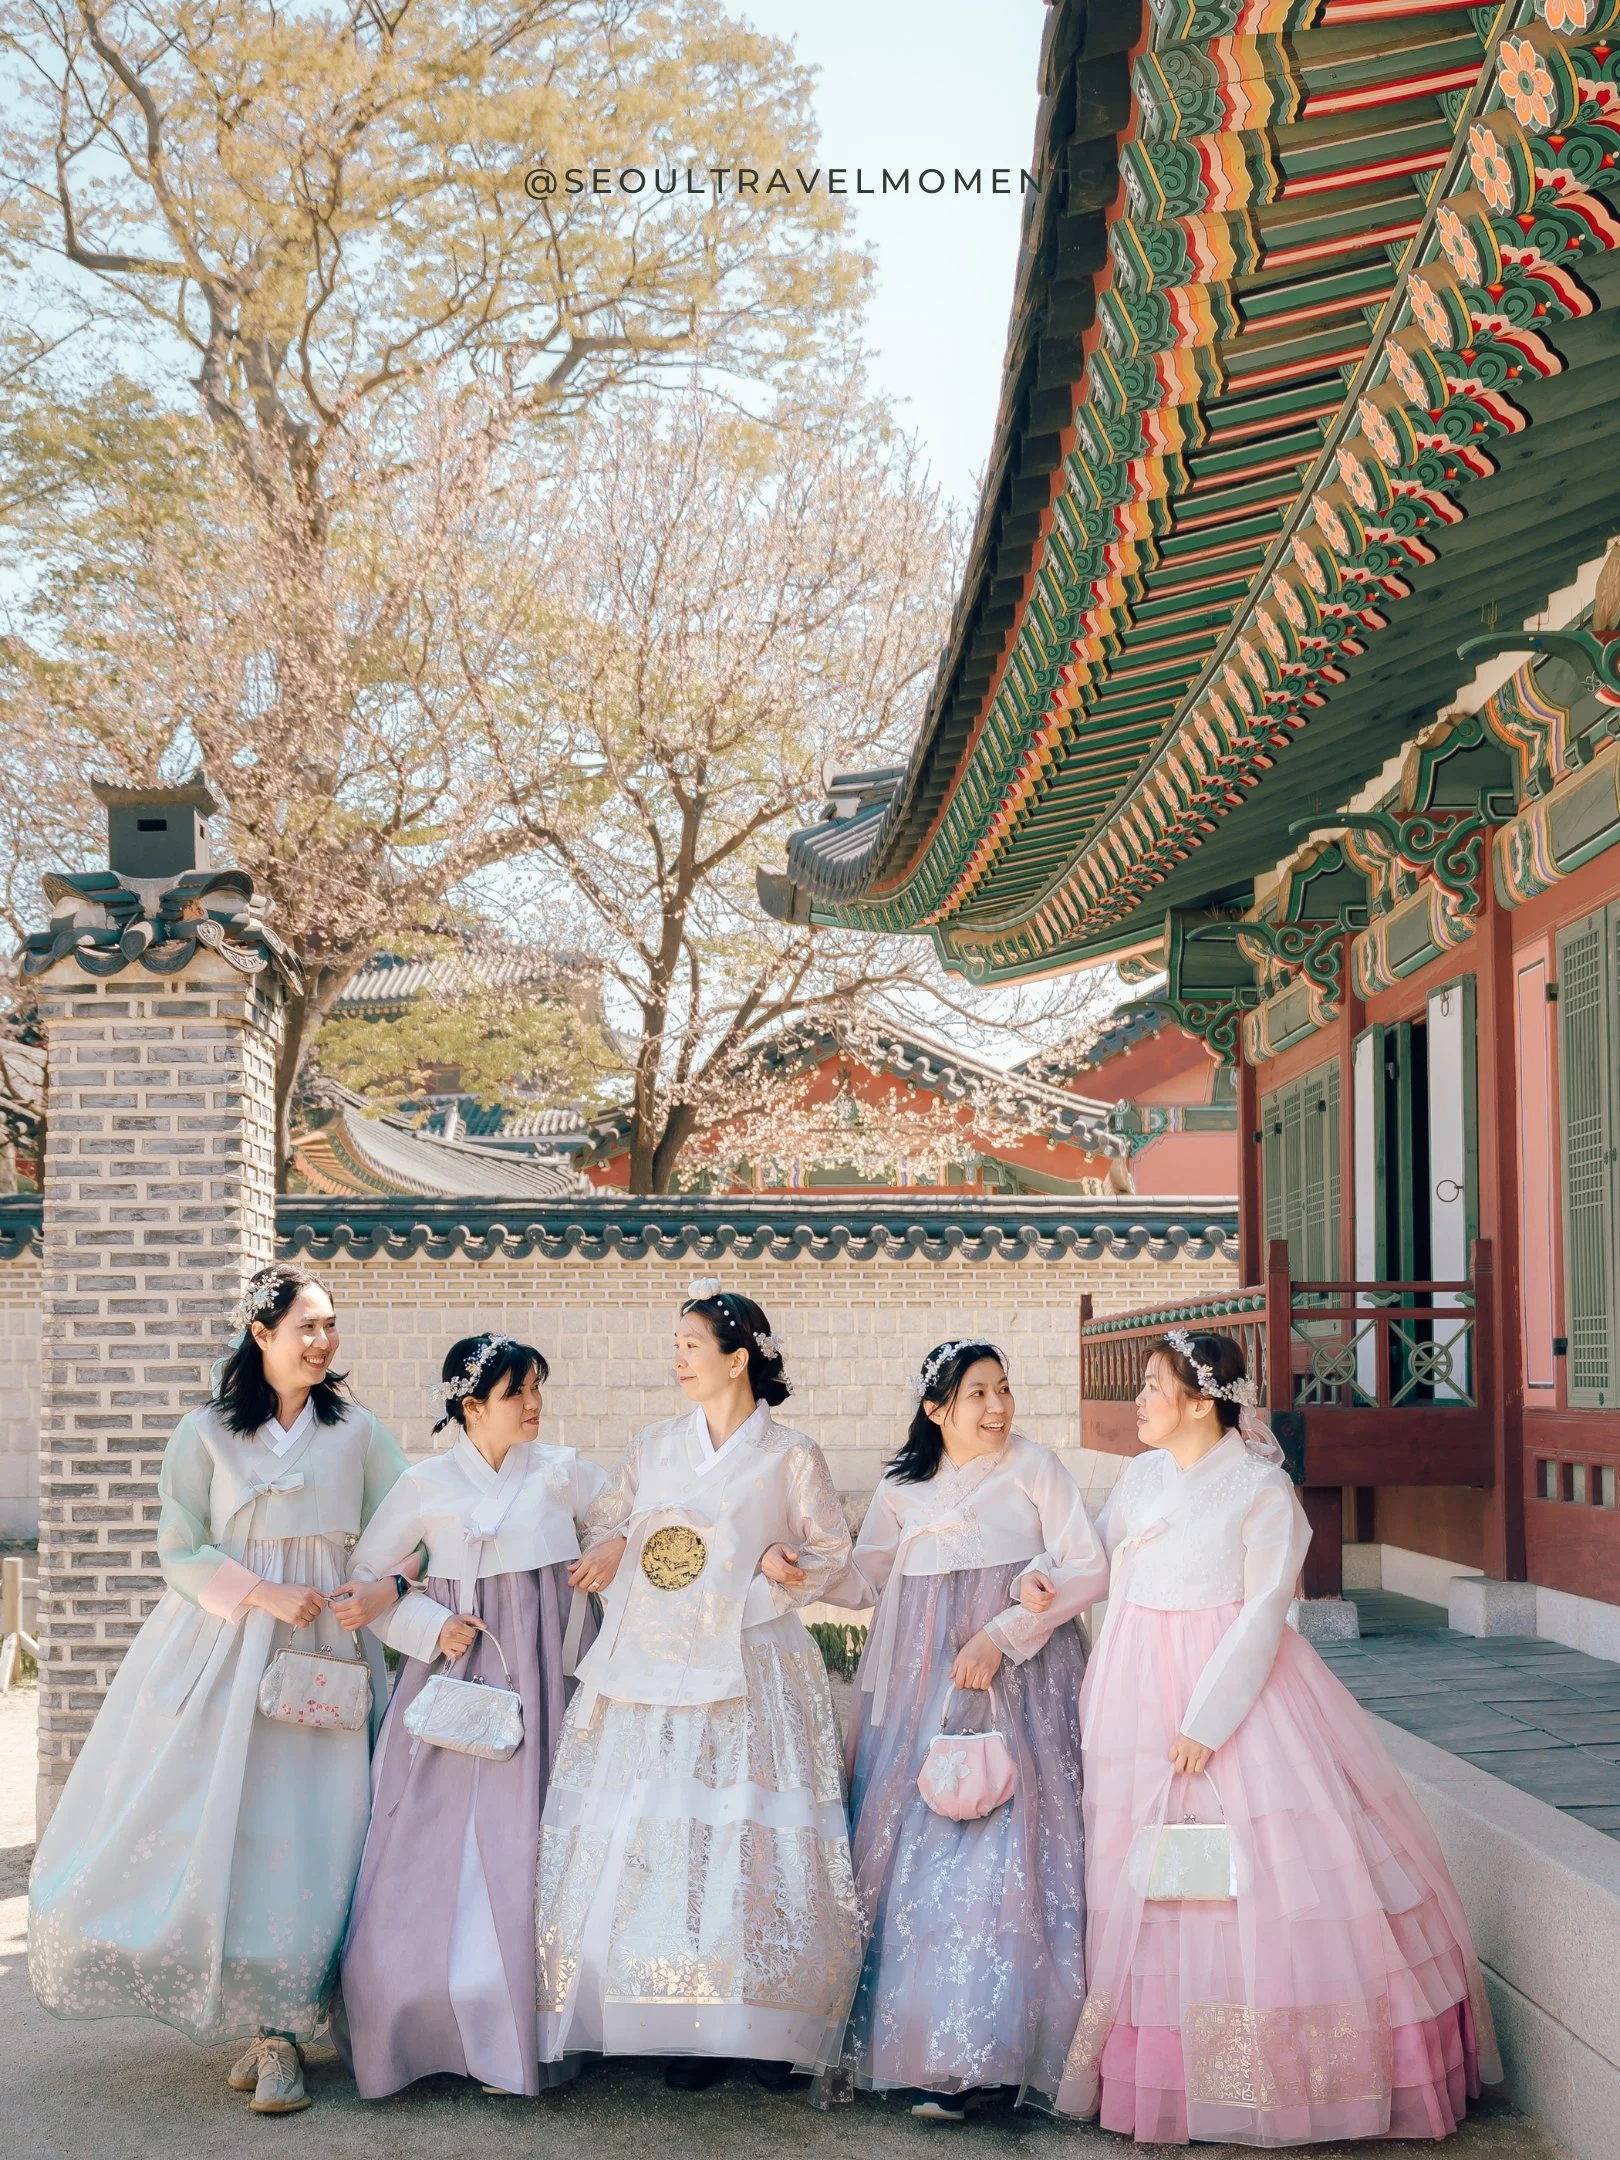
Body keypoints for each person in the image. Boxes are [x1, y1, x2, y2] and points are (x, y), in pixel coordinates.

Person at [1055, 1329, 1502, 2145]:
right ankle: (1172, 2069)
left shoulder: (1261, 1491)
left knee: (1250, 1868)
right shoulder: (1141, 1474)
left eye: (1153, 1388)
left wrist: (1205, 1721)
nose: (1140, 1404)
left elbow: (1266, 1610)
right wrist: (1034, 1594)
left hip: (1228, 1698)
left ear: (1200, 1400)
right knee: (1148, 1869)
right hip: (1131, 1692)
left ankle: (1278, 2073)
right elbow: (1093, 1559)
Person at [29, 1262, 413, 2116]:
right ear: (262, 1335)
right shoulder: (204, 1433)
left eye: (330, 1324)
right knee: (224, 1822)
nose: (323, 1341)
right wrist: (262, 1592)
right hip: (223, 1652)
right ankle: (261, 2026)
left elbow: (410, 1522)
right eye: (306, 1326)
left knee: (318, 1826)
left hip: (326, 1657)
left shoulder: (356, 1432)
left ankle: (287, 2028)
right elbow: (179, 1547)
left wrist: (383, 1585)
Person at [534, 1282, 861, 2091]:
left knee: (750, 1836)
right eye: (675, 1343)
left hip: (751, 1663)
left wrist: (775, 1573)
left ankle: (761, 2022)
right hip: (652, 1665)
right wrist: (611, 1546)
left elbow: (833, 1554)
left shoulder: (791, 1455)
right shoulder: (653, 1445)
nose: (676, 1358)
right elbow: (607, 1521)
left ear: (737, 1359)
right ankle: (689, 2015)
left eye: (690, 1345)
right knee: (674, 1839)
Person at [818, 1339, 1109, 2121]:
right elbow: (864, 1577)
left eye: (1004, 1390)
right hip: (921, 1692)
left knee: (1010, 1842)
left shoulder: (1035, 1466)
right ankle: (926, 2047)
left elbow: (1089, 1567)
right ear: (936, 1408)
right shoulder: (903, 1487)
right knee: (918, 1846)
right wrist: (798, 1567)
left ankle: (994, 2053)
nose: (998, 1407)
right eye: (978, 1393)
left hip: (1019, 1682)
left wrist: (1004, 1631)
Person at [338, 1334, 609, 2100]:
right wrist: (429, 1625)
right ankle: (419, 2023)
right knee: (430, 1841)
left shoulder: (561, 1472)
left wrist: (612, 1550)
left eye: (537, 1389)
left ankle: (522, 2031)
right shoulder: (426, 1484)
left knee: (533, 1838)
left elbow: (630, 1519)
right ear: (470, 1405)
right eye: (518, 1391)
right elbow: (367, 1580)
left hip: (544, 1685)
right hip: (455, 1676)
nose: (535, 1404)